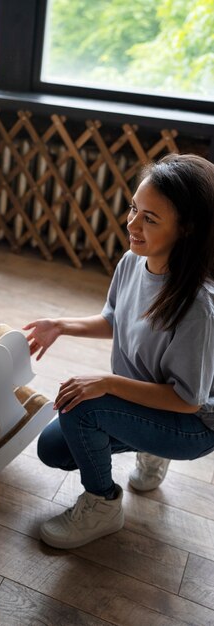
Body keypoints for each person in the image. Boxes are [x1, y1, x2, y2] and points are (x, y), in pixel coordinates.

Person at [24, 153, 214, 549]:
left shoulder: (198, 306)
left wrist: (108, 383)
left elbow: (188, 400)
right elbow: (114, 319)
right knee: (52, 447)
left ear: (187, 229)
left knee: (82, 405)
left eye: (150, 218)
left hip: (192, 425)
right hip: (153, 400)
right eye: (133, 209)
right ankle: (148, 445)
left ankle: (103, 504)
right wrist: (60, 326)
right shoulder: (132, 262)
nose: (132, 224)